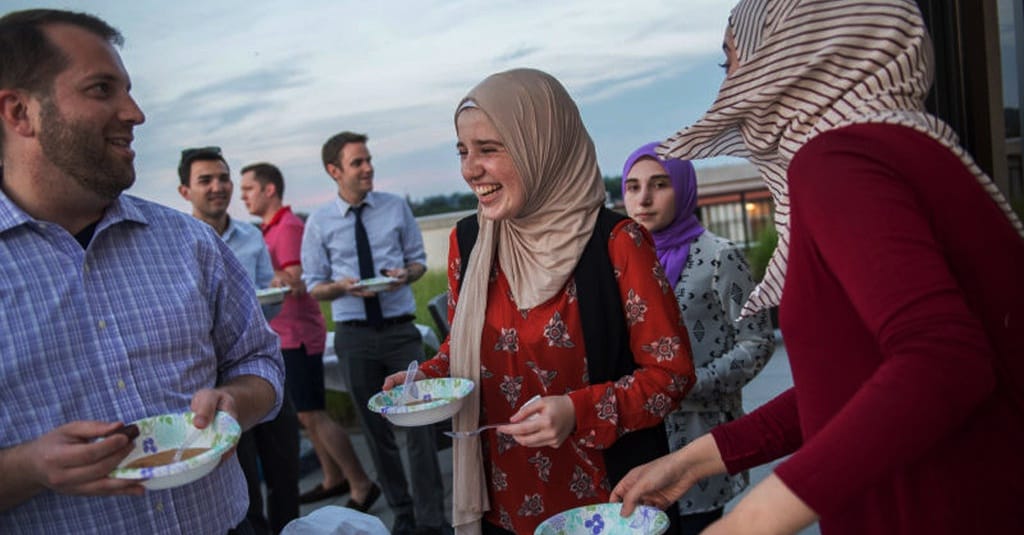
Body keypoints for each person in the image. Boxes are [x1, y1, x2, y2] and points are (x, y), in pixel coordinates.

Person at [611, 1, 1024, 534]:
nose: (728, 89)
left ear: (789, 53)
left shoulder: (835, 161)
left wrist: (750, 523)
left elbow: (944, 360)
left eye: (732, 62)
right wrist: (691, 461)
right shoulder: (907, 146)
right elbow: (848, 386)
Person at [0, 9, 284, 534]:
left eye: (127, 90)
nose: (135, 112)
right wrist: (28, 467)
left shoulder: (189, 242)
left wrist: (235, 404)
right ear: (20, 112)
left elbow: (260, 360)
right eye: (101, 89)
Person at [384, 68, 697, 535]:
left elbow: (671, 376)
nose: (470, 170)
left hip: (605, 508)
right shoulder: (469, 241)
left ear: (543, 146)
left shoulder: (617, 242)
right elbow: (463, 350)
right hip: (501, 506)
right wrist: (424, 381)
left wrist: (578, 411)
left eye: (489, 149)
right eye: (463, 152)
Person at [621, 142, 775, 534]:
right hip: (637, 436)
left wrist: (689, 385)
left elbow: (756, 342)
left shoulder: (720, 256)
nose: (644, 199)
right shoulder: (623, 260)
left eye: (659, 184)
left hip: (697, 436)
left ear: (684, 188)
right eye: (633, 187)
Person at [301, 132, 442, 535]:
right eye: (357, 162)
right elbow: (315, 285)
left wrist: (406, 276)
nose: (368, 168)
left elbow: (417, 262)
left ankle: (432, 521)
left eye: (368, 160)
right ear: (334, 171)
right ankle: (403, 514)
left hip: (401, 332)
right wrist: (341, 287)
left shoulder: (396, 207)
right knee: (375, 429)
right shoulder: (319, 222)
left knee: (419, 425)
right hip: (354, 335)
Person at [239, 162, 378, 511]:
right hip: (283, 335)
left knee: (314, 412)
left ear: (270, 190)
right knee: (304, 414)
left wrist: (252, 272)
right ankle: (333, 478)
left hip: (297, 335)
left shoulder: (287, 227)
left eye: (248, 189)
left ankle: (361, 483)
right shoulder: (268, 229)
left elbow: (296, 281)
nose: (243, 196)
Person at [177, 148, 299, 534]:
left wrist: (275, 288)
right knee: (242, 484)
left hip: (262, 368)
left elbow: (270, 305)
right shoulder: (178, 244)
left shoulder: (250, 235)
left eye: (223, 178)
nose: (218, 187)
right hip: (214, 384)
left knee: (286, 469)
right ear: (185, 191)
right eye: (205, 180)